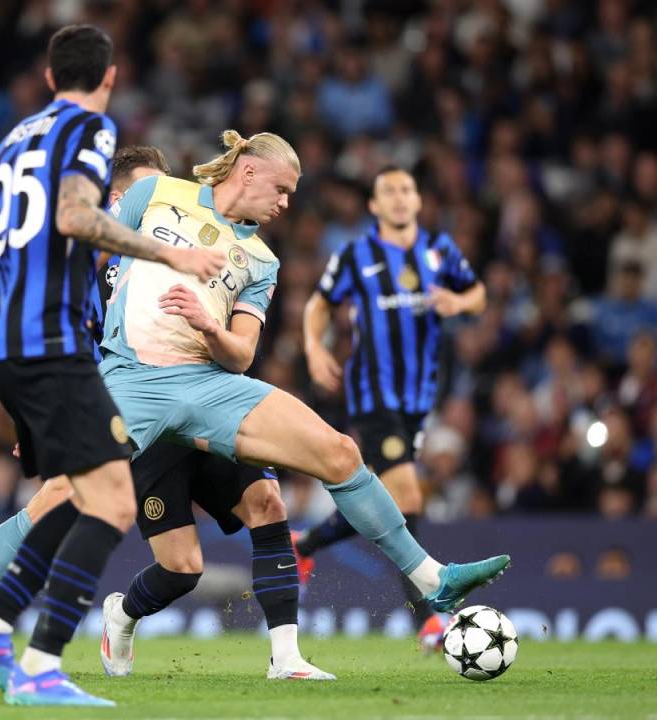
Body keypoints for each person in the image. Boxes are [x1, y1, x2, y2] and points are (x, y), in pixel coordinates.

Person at [96, 130, 509, 656]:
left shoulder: (257, 259)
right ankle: (81, 615)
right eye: (282, 189)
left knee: (286, 491)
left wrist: (210, 328)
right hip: (141, 410)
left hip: (208, 393)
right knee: (179, 569)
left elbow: (242, 354)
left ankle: (301, 651)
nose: (286, 203)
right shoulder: (113, 255)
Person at [0, 25, 224, 708]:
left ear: (51, 76)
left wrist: (12, 270)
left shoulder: (9, 143)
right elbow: (76, 217)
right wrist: (170, 253)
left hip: (6, 348)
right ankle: (39, 662)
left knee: (82, 492)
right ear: (109, 77)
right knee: (114, 502)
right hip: (53, 346)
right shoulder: (90, 130)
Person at [0, 145, 168, 684]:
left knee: (241, 509)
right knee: (52, 506)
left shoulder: (151, 260)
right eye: (152, 196)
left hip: (161, 398)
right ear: (119, 200)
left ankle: (283, 645)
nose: (165, 208)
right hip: (90, 395)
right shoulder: (80, 251)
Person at [296, 166, 487, 645]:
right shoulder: (356, 255)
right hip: (373, 396)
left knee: (382, 499)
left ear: (418, 201)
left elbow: (478, 294)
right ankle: (429, 616)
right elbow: (318, 303)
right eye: (389, 192)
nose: (400, 199)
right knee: (408, 496)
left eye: (407, 190)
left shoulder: (440, 250)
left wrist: (458, 305)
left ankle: (307, 542)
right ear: (374, 206)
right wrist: (315, 348)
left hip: (418, 399)